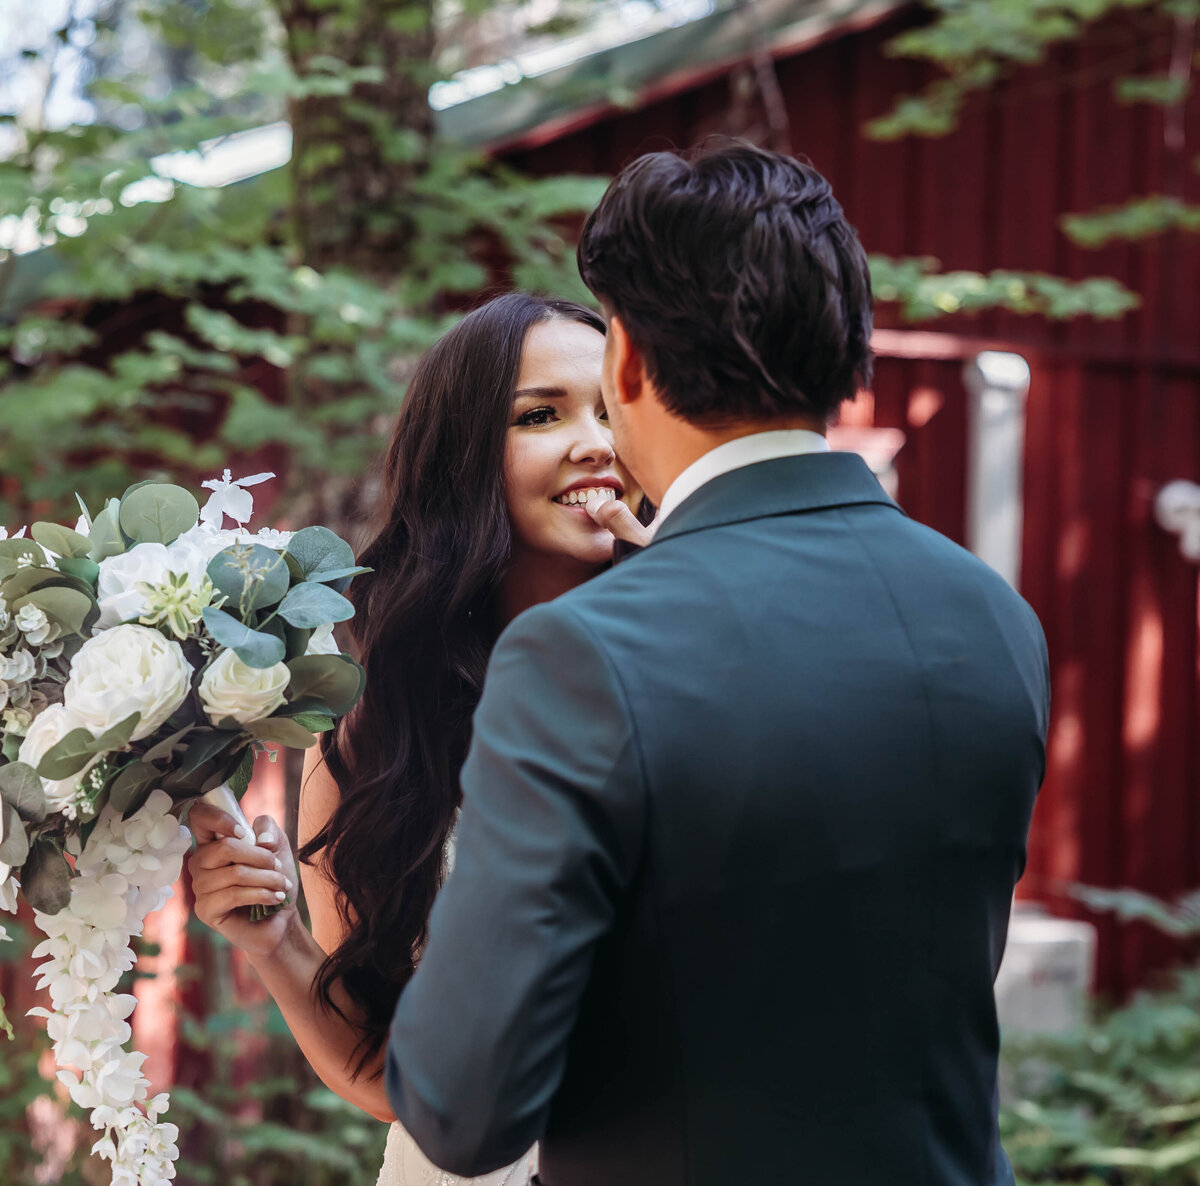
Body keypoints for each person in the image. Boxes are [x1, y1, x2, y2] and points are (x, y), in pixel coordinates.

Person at [383, 142, 1051, 1186]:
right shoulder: (994, 616)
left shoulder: (581, 656)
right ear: (846, 347)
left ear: (632, 360)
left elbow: (464, 1112)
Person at [186, 292, 650, 1186]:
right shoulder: (380, 737)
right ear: (465, 457)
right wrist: (277, 944)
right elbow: (397, 1075)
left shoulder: (704, 675)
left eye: (613, 411)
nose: (595, 443)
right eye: (542, 415)